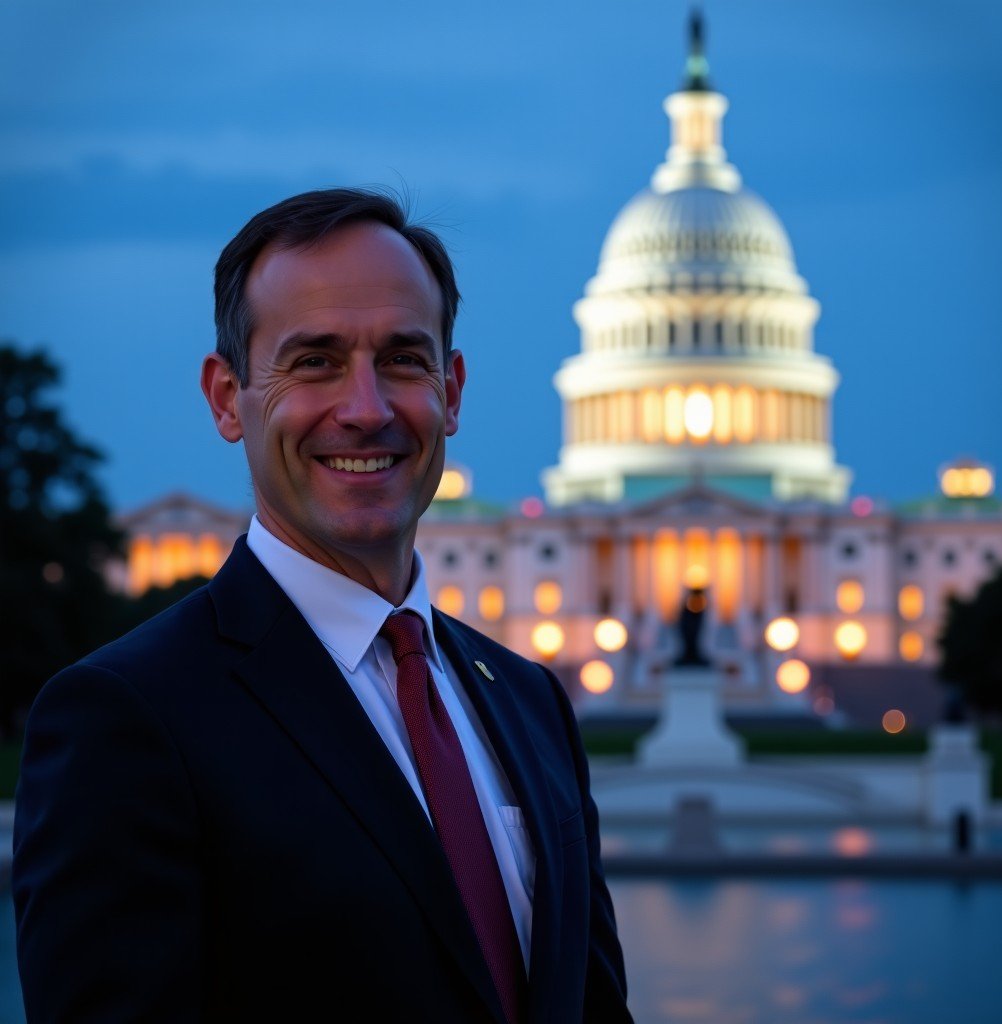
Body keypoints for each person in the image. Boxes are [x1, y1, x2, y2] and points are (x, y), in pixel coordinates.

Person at [13, 188, 632, 1023]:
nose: (367, 410)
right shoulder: (128, 719)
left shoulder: (528, 702)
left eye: (404, 360)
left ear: (451, 391)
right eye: (315, 362)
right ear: (227, 398)